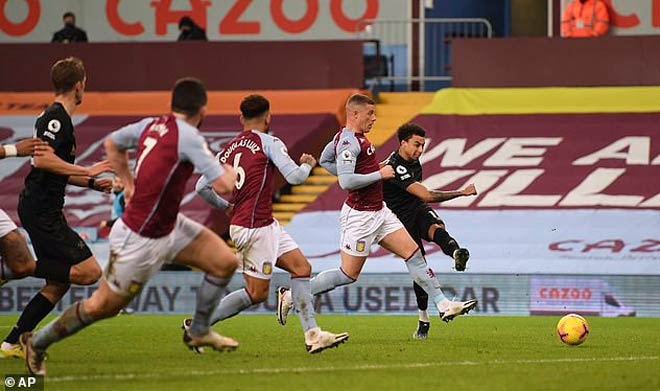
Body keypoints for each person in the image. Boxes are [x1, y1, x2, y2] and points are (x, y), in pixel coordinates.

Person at [21, 77, 240, 376]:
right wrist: (227, 170)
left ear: (172, 105)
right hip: (140, 239)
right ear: (203, 110)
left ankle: (199, 330)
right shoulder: (189, 136)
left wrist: (127, 182)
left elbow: (113, 142)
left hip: (168, 226)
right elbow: (225, 185)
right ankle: (38, 342)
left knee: (225, 262)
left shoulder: (151, 124)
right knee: (102, 307)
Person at [278, 94, 477, 328]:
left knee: (414, 255)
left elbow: (325, 159)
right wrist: (378, 175)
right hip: (360, 217)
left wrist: (356, 174)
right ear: (354, 114)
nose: (374, 118)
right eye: (369, 114)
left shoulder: (347, 137)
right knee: (347, 275)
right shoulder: (349, 142)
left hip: (379, 211)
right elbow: (346, 183)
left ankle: (443, 305)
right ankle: (291, 296)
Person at [190, 94, 349, 354]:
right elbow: (295, 177)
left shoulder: (228, 149)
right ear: (268, 117)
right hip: (255, 228)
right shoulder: (269, 143)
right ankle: (198, 325)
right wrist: (308, 165)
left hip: (260, 223)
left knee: (301, 268)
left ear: (241, 118)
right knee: (256, 293)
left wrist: (226, 207)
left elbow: (201, 187)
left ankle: (313, 334)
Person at [2, 57, 114, 359]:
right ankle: (16, 267)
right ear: (80, 85)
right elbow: (41, 160)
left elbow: (57, 169)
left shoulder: (58, 118)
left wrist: (91, 184)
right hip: (41, 210)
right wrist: (89, 171)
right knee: (90, 272)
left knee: (58, 284)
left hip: (43, 206)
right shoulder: (56, 118)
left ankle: (11, 343)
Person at [382, 123, 478, 339]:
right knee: (421, 269)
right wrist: (461, 193)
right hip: (400, 220)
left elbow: (420, 199)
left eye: (422, 145)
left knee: (437, 228)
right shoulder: (396, 167)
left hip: (417, 209)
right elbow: (427, 195)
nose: (420, 150)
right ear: (403, 143)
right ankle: (423, 318)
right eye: (416, 145)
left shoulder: (408, 159)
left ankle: (456, 253)